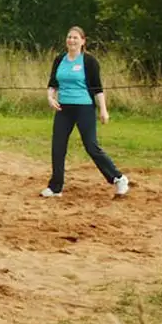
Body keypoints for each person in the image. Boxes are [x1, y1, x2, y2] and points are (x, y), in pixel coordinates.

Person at [42, 26, 131, 198]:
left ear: (83, 41)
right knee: (58, 147)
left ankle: (118, 178)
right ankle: (55, 187)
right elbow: (52, 83)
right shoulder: (60, 59)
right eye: (69, 37)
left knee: (91, 146)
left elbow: (98, 88)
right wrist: (50, 98)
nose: (72, 40)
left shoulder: (89, 61)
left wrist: (103, 110)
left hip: (84, 107)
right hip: (64, 109)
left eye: (75, 38)